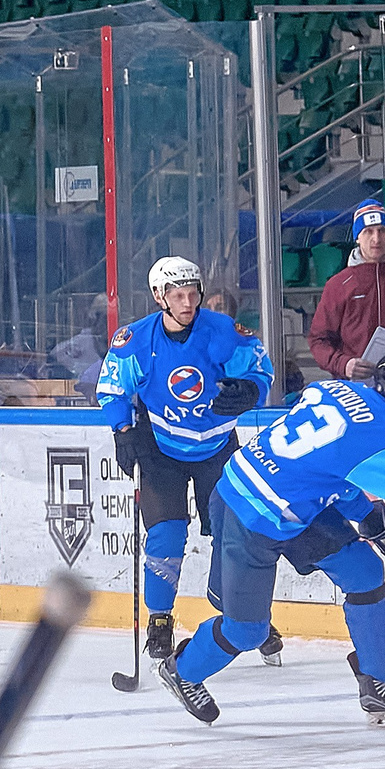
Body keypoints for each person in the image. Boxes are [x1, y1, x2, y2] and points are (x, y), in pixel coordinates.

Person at [156, 351, 385, 726]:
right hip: (248, 512)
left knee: (364, 571)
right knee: (247, 632)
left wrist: (367, 515)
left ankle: (376, 683)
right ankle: (181, 671)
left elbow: (330, 461)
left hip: (291, 500)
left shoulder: (340, 389)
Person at [96, 255, 273, 661]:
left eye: (193, 294)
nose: (188, 303)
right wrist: (123, 431)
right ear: (160, 297)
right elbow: (112, 389)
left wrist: (251, 390)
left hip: (217, 447)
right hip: (160, 449)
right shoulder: (136, 340)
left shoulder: (223, 331)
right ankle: (160, 619)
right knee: (166, 535)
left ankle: (243, 617)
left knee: (233, 536)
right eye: (178, 296)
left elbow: (260, 371)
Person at [308, 198, 385, 383]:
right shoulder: (338, 285)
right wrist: (344, 364)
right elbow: (318, 340)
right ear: (357, 237)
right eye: (368, 231)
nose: (376, 239)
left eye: (382, 230)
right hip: (354, 387)